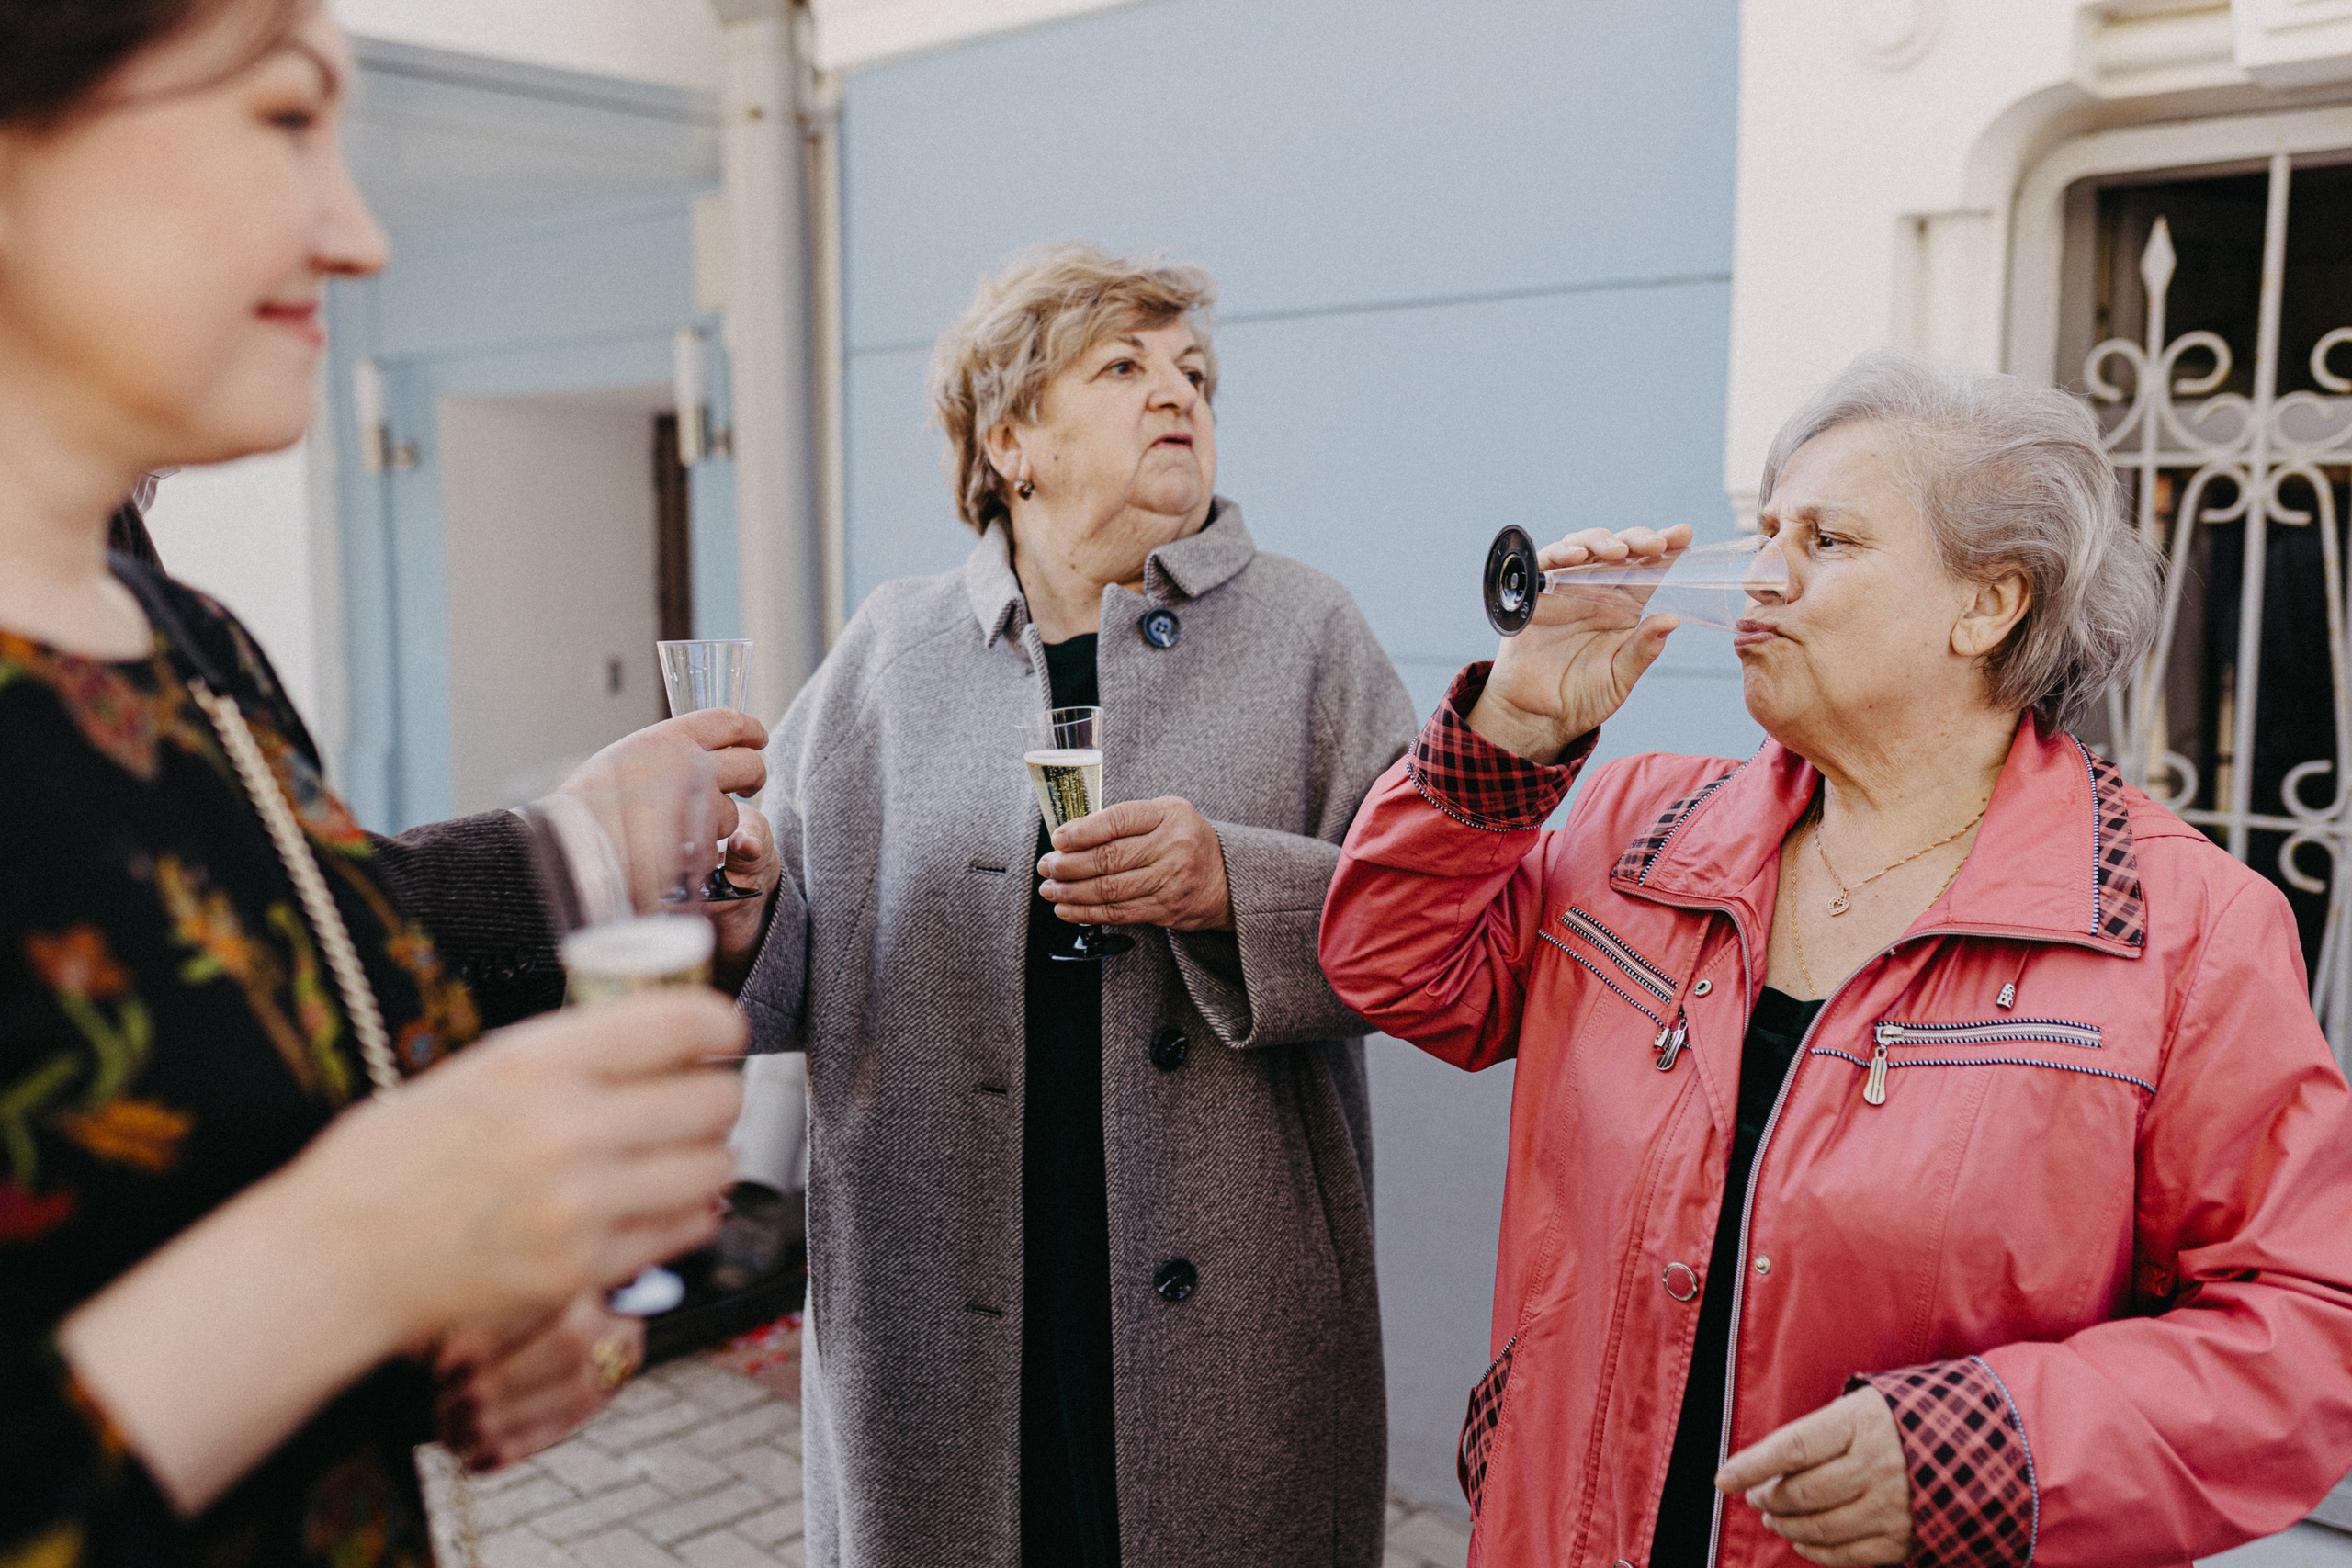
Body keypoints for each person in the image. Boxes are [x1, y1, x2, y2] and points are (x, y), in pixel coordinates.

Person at [1318, 350, 2352, 1567]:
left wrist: (1988, 1449)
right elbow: (1393, 966)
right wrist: (1518, 724)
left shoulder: (2179, 926)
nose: (1761, 576)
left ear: (1991, 604)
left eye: (1829, 540)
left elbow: (2302, 1335)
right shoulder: (1640, 826)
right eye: (1765, 530)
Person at [0, 2, 782, 1562]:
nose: (358, 236)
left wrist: (437, 1320)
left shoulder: (188, 645)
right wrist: (355, 1257)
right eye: (286, 120)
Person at [731, 241, 1415, 1566]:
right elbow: (784, 962)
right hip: (946, 1295)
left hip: (1235, 1299)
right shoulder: (890, 651)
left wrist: (1236, 888)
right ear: (1010, 440)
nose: (1180, 394)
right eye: (1124, 366)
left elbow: (1429, 934)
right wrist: (733, 901)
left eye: (1196, 372)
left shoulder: (1309, 635)